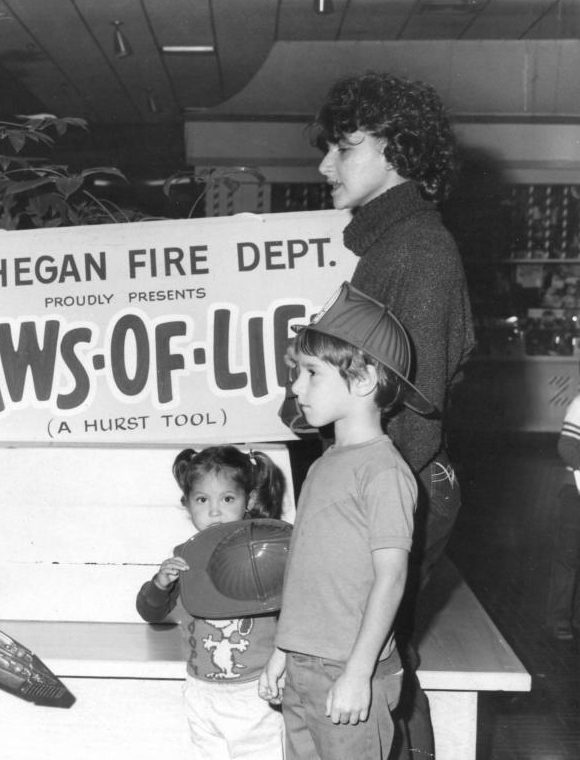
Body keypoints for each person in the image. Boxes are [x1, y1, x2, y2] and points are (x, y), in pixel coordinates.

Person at [310, 71, 475, 759]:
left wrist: (355, 504)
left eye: (342, 148)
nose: (324, 165)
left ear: (396, 151)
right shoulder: (392, 246)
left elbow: (415, 405)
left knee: (375, 664)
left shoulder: (417, 252)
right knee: (381, 658)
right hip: (392, 480)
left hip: (397, 483)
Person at [259, 282, 432, 760]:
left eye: (311, 372)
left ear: (363, 380)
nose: (296, 386)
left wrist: (359, 672)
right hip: (303, 666)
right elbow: (306, 572)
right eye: (298, 371)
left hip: (352, 670)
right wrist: (282, 650)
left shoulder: (384, 472)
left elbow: (392, 579)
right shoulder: (323, 463)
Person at [136, 444, 288, 760]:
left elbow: (294, 611)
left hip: (256, 688)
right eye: (202, 499)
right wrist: (160, 584)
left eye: (228, 499)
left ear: (249, 501)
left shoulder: (265, 549)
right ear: (187, 504)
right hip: (200, 687)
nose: (214, 511)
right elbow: (149, 611)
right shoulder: (184, 555)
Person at [547, 394, 580, 641]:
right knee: (568, 556)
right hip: (575, 492)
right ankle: (561, 618)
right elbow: (566, 446)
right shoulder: (579, 403)